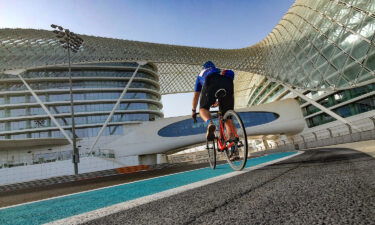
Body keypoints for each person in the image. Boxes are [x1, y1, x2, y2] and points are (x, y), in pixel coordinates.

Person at [191, 61, 236, 141]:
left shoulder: (201, 75)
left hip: (210, 82)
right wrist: (220, 101)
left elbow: (196, 96)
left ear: (204, 68)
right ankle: (234, 142)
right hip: (227, 82)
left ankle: (210, 123)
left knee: (203, 109)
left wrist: (193, 110)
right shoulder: (218, 70)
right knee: (227, 117)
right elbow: (228, 76)